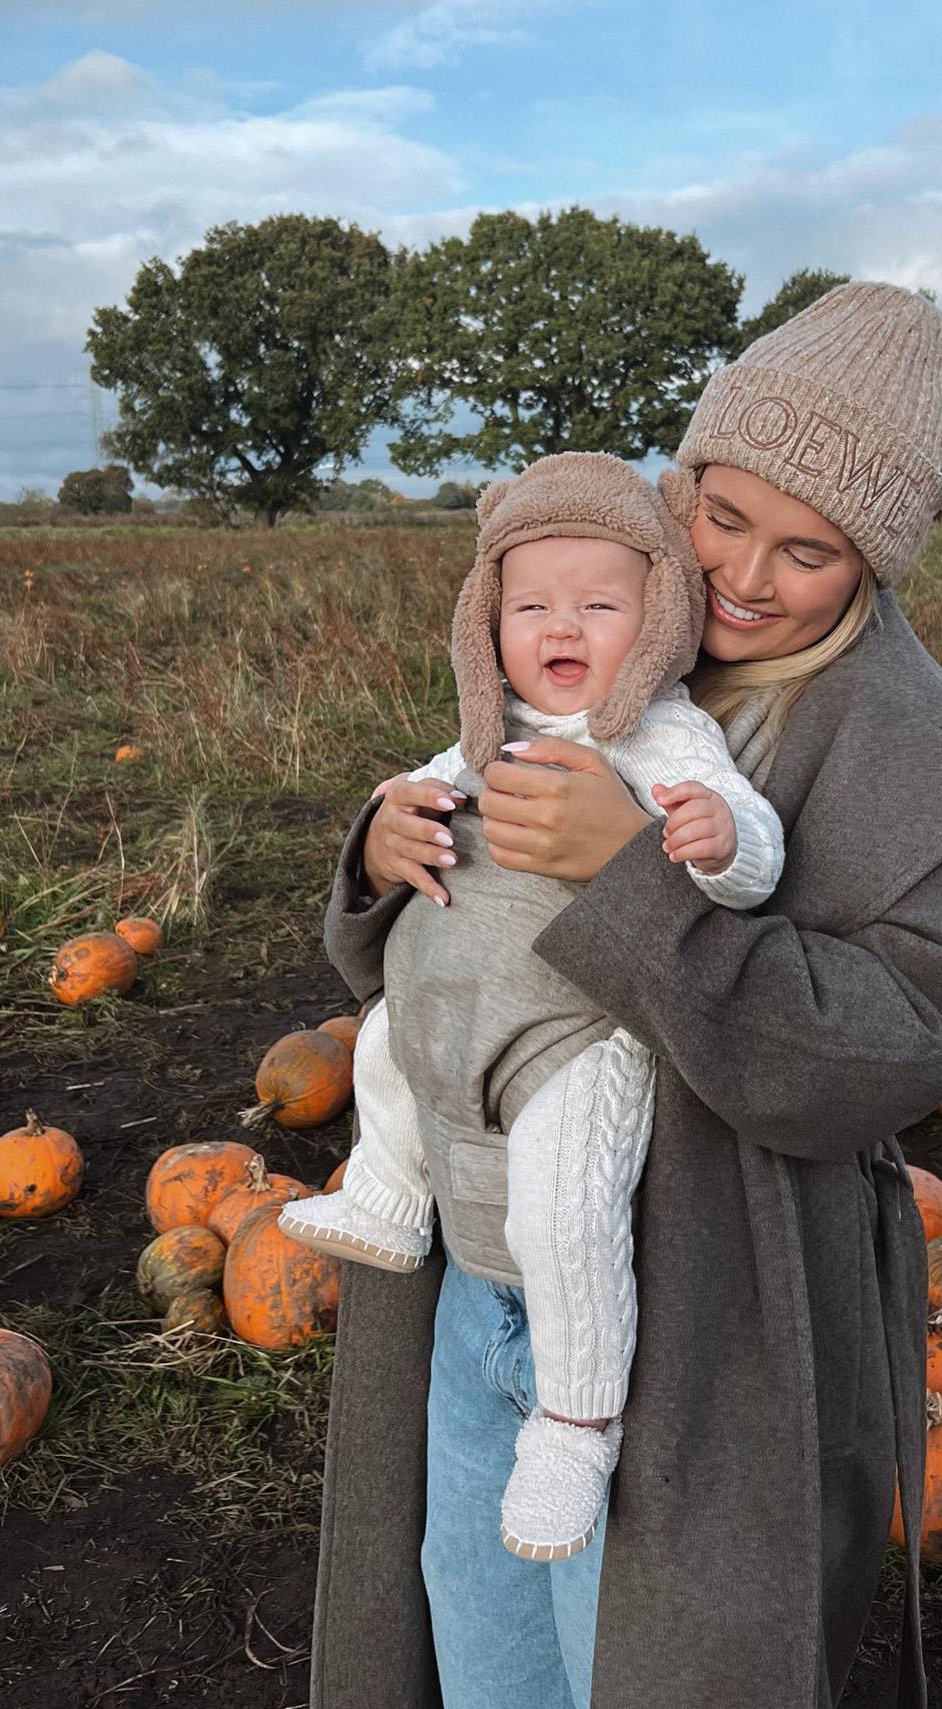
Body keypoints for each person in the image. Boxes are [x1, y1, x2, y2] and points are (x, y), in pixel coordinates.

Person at [305, 283, 942, 1709]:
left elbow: (908, 1039)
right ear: (682, 482)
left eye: (810, 548)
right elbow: (454, 889)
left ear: (879, 557)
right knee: (477, 1641)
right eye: (724, 512)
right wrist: (383, 854)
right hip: (474, 1264)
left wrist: (637, 883)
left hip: (709, 1307)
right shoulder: (606, 613)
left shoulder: (919, 753)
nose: (749, 575)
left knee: (656, 1704)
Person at [278, 452, 784, 1562]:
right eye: (531, 605)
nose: (564, 624)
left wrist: (719, 841)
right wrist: (386, 825)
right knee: (384, 1044)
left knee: (566, 1204)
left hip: (583, 1035)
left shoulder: (661, 733)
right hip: (464, 1016)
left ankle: (576, 1417)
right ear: (486, 624)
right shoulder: (482, 727)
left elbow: (751, 843)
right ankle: (388, 1193)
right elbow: (409, 806)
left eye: (601, 605)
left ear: (655, 623)